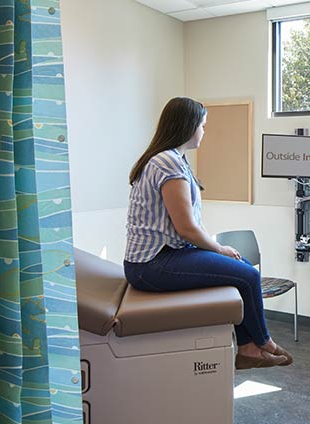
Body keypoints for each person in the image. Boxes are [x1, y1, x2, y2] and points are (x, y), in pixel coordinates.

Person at [123, 97, 292, 370]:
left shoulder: (172, 159)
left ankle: (248, 348)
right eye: (202, 125)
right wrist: (217, 247)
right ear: (188, 126)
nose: (204, 131)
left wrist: (214, 248)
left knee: (242, 267)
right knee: (249, 275)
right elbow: (186, 228)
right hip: (152, 264)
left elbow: (185, 225)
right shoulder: (168, 162)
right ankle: (264, 343)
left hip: (164, 256)